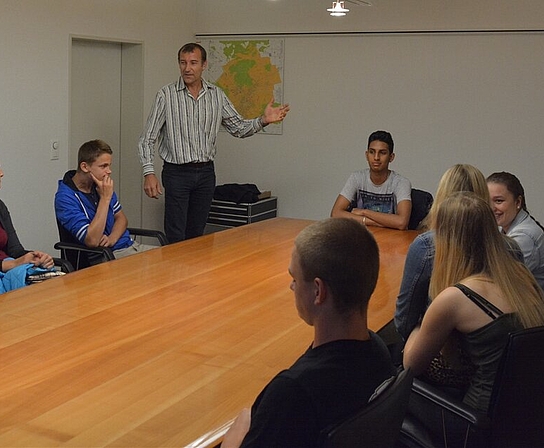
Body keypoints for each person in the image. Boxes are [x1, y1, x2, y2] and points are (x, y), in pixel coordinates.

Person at [221, 218, 396, 448]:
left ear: (317, 291)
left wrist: (235, 438)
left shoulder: (293, 393)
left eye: (294, 279)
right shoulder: (379, 351)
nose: (291, 287)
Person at [403, 192, 544, 415]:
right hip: (528, 410)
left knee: (386, 390)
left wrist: (420, 321)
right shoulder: (521, 275)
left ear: (443, 239)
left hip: (477, 420)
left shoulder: (455, 298)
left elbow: (410, 366)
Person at [138, 42, 290, 243]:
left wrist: (263, 120)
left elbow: (238, 127)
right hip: (177, 173)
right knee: (176, 233)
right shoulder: (166, 95)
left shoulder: (216, 95)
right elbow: (147, 138)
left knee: (197, 233)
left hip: (205, 174)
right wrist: (149, 172)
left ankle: (196, 274)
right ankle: (174, 274)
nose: (187, 68)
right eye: (183, 63)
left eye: (193, 63)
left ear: (204, 65)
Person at [394, 164, 493, 341]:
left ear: (442, 200)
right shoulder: (510, 247)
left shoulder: (427, 246)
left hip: (437, 352)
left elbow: (404, 323)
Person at [55, 139, 154, 263]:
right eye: (103, 166)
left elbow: (122, 219)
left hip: (129, 246)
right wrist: (105, 198)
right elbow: (92, 240)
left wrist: (112, 238)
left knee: (174, 259)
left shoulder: (100, 185)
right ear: (85, 167)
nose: (109, 171)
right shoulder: (65, 198)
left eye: (109, 165)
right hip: (105, 256)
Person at [486, 172, 544, 304]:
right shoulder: (506, 227)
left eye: (499, 201)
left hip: (532, 314)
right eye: (487, 201)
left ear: (518, 202)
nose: (491, 208)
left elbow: (499, 282)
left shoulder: (524, 237)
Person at [330, 130, 412, 230]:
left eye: (382, 153)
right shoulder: (357, 178)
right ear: (366, 155)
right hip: (362, 236)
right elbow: (335, 213)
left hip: (392, 238)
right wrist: (375, 222)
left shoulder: (401, 182)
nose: (376, 157)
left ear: (391, 157)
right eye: (372, 152)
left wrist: (364, 212)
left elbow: (401, 222)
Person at [0, 163, 54, 274]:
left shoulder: (0, 206)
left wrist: (35, 257)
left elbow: (15, 250)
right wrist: (16, 263)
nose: (2, 173)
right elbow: (16, 261)